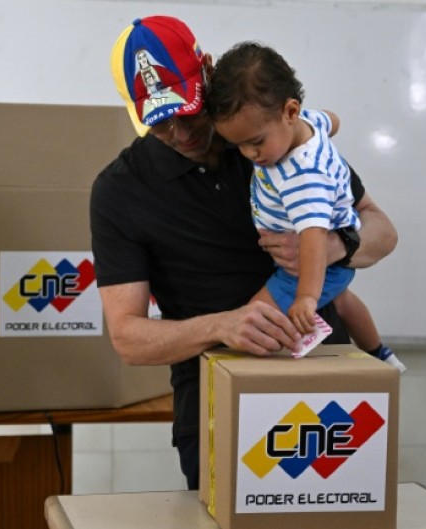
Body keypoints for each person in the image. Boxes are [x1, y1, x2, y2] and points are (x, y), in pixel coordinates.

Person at [94, 15, 398, 490]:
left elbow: (383, 230)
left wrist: (334, 246)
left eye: (190, 111)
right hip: (218, 393)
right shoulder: (121, 190)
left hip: (324, 373)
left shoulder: (270, 133)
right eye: (159, 124)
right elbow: (128, 337)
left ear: (208, 70)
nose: (181, 133)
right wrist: (222, 325)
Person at [206, 41, 406, 372]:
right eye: (238, 145)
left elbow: (313, 239)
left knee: (255, 317)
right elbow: (332, 121)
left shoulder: (303, 177)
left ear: (290, 111)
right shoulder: (307, 125)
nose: (250, 155)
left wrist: (306, 298)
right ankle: (381, 353)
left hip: (306, 268)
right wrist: (330, 123)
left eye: (255, 142)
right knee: (341, 300)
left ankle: (362, 351)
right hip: (330, 266)